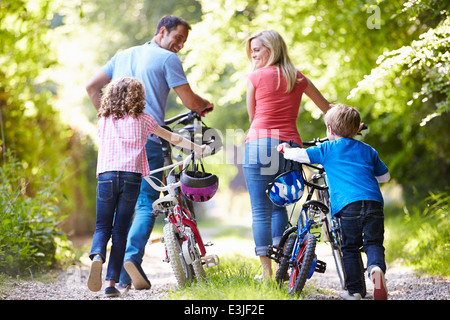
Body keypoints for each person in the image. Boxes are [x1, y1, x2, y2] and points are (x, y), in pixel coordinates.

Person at [85, 15, 213, 290]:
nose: (179, 44)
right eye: (178, 37)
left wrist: (106, 113)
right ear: (162, 31)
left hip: (112, 158)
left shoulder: (122, 55)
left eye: (183, 41)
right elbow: (189, 101)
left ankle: (108, 266)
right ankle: (130, 260)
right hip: (150, 140)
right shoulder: (167, 60)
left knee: (109, 220)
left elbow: (91, 86)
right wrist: (204, 105)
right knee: (145, 203)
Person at [243, 30, 332, 279]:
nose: (253, 53)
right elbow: (328, 110)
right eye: (251, 49)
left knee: (260, 210)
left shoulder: (255, 77)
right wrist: (352, 124)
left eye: (257, 49)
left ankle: (267, 273)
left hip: (259, 144)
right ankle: (283, 262)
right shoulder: (297, 77)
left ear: (272, 49)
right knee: (279, 205)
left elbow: (253, 117)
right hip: (289, 148)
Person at [278, 104, 390, 300]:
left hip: (348, 206)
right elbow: (385, 177)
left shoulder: (328, 149)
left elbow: (301, 155)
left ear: (329, 129)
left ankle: (355, 291)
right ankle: (376, 269)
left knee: (350, 247)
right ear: (357, 130)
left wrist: (286, 149)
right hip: (373, 203)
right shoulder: (368, 150)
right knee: (373, 242)